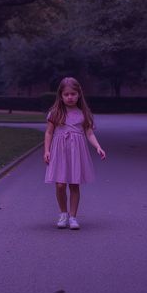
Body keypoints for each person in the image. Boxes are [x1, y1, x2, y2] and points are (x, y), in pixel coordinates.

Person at [44, 77, 106, 230]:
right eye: (66, 94)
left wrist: (98, 146)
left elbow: (89, 133)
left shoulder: (83, 113)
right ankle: (63, 214)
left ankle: (73, 217)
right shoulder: (55, 113)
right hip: (59, 151)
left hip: (76, 152)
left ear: (79, 94)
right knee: (59, 185)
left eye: (73, 94)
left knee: (74, 184)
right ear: (61, 95)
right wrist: (47, 150)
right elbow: (49, 133)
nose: (70, 97)